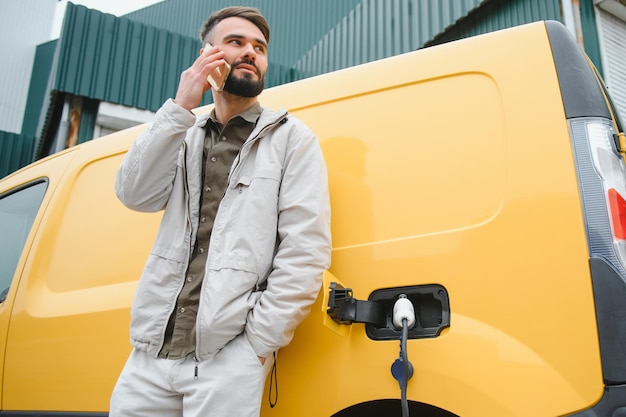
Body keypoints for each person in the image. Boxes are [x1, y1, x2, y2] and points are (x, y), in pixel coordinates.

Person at [109, 6, 331, 417]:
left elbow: (306, 249)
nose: (251, 52)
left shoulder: (292, 140)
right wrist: (180, 106)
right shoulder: (183, 133)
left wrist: (257, 345)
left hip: (227, 355)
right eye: (236, 42)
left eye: (259, 47)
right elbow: (134, 193)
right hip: (151, 354)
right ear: (206, 55)